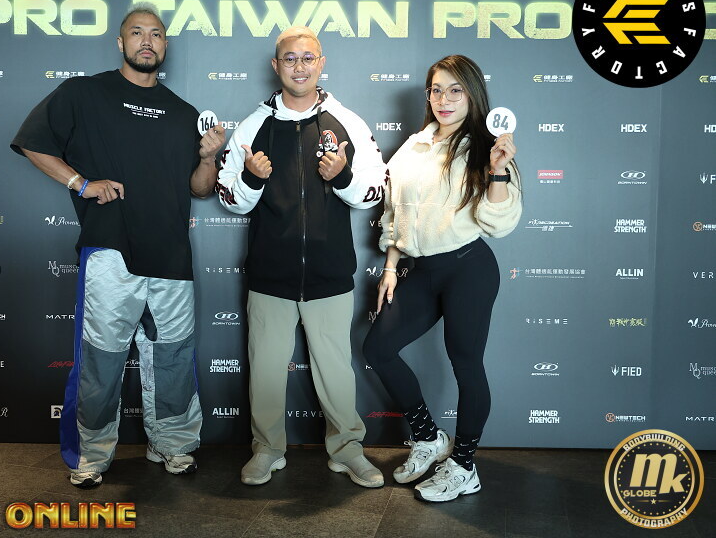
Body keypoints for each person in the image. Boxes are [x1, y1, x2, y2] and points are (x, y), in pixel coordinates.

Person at [10, 4, 225, 489]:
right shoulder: (84, 93)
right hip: (109, 250)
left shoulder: (184, 114)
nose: (147, 41)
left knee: (173, 356)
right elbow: (32, 142)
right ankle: (91, 455)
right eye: (137, 33)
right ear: (121, 42)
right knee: (101, 358)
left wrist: (209, 158)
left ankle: (172, 445)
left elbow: (199, 188)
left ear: (165, 44)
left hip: (171, 256)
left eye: (156, 34)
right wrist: (80, 183)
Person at [216, 26, 388, 488]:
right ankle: (267, 449)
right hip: (270, 274)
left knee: (335, 370)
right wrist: (251, 178)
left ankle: (347, 449)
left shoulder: (346, 121)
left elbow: (375, 190)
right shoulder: (253, 126)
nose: (299, 66)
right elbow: (229, 198)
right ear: (276, 66)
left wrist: (342, 175)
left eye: (307, 58)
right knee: (266, 370)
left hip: (330, 272)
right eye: (290, 58)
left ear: (321, 63)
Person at [362, 54, 522, 502]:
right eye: (436, 90)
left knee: (466, 365)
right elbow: (395, 212)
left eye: (455, 90)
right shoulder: (414, 146)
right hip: (423, 269)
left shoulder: (486, 148)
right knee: (377, 349)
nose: (444, 99)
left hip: (469, 268)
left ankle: (465, 465)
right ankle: (430, 437)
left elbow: (499, 222)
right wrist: (390, 267)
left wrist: (498, 169)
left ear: (472, 95)